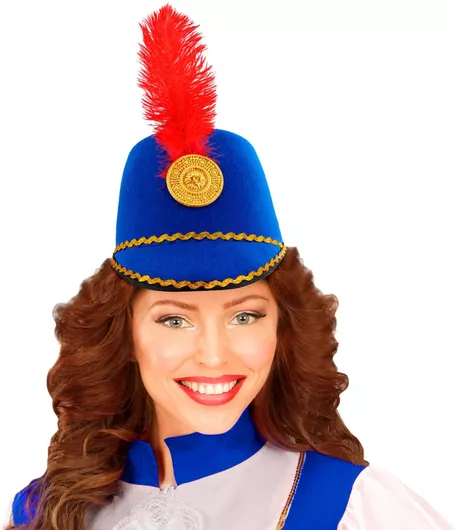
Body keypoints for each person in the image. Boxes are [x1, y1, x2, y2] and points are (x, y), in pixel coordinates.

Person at [6, 4, 454, 530]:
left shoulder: (355, 506)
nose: (215, 355)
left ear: (283, 329)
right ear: (124, 334)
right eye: (174, 319)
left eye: (245, 316)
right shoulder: (45, 509)